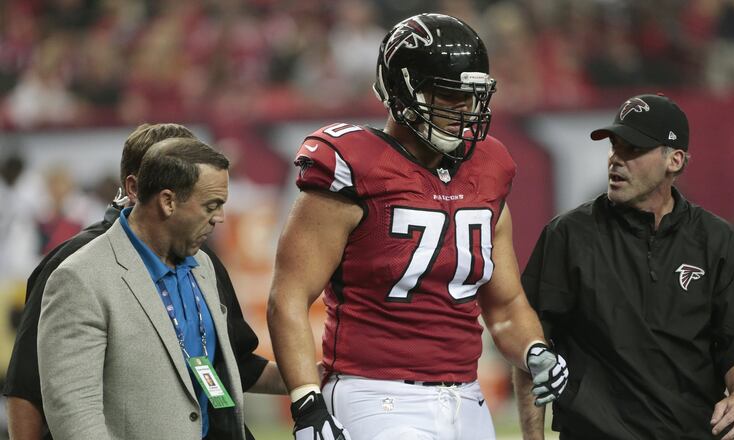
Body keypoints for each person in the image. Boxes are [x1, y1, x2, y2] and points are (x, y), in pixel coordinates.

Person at [267, 13, 568, 440]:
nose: (466, 110)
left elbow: (503, 304)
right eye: (450, 96)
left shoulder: (489, 166)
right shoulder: (354, 166)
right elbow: (289, 297)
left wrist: (533, 350)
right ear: (404, 91)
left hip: (467, 400)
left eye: (473, 96)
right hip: (375, 396)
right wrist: (306, 402)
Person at [516, 94, 734, 440]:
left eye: (632, 149)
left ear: (674, 160)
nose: (616, 159)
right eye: (615, 146)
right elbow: (528, 345)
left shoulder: (720, 243)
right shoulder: (568, 236)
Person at [4, 124, 287, 440]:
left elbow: (232, 363)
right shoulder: (75, 269)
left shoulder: (201, 262)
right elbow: (30, 389)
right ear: (141, 187)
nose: (219, 216)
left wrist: (313, 376)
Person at [37, 137, 243, 439]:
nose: (220, 217)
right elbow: (75, 413)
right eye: (211, 205)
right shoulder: (80, 277)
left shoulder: (203, 265)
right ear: (168, 201)